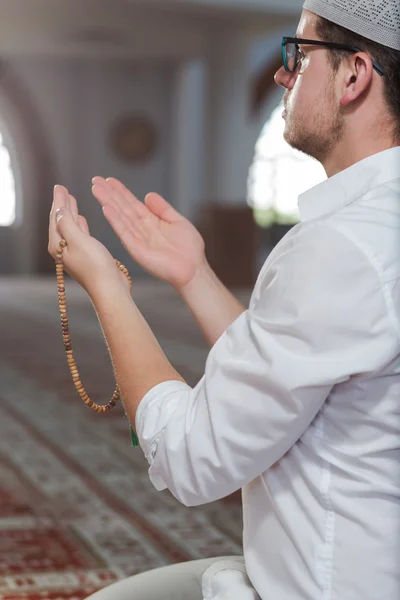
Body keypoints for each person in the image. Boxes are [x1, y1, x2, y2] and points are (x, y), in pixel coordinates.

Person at [48, 0, 400, 598]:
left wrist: (105, 284)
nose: (282, 74)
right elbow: (296, 368)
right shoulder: (373, 229)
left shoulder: (339, 248)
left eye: (299, 53)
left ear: (353, 75)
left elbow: (191, 458)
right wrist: (195, 276)